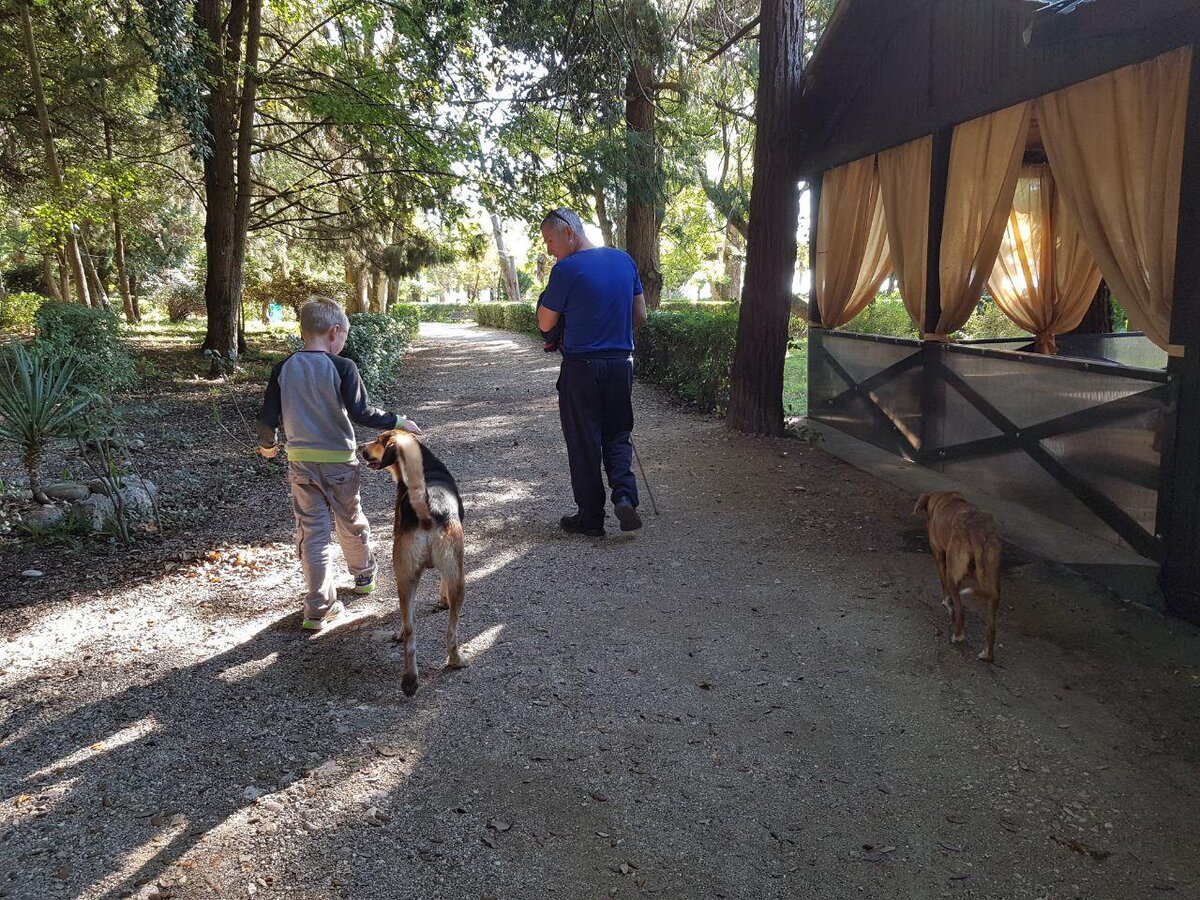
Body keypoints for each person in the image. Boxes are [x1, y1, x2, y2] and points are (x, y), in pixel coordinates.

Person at [256, 296, 421, 630]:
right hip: (340, 463)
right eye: (344, 335)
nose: (343, 341)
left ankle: (318, 607)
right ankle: (364, 575)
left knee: (312, 532)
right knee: (350, 519)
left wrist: (269, 445)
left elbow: (266, 418)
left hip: (301, 463)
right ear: (334, 332)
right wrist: (399, 421)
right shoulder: (343, 367)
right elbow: (361, 411)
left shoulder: (283, 368)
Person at [537, 208, 648, 537]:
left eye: (550, 240)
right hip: (620, 364)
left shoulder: (566, 270)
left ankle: (591, 516)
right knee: (617, 433)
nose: (549, 249)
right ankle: (625, 495)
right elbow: (640, 316)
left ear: (570, 232)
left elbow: (545, 323)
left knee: (584, 440)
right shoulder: (625, 260)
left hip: (581, 367)